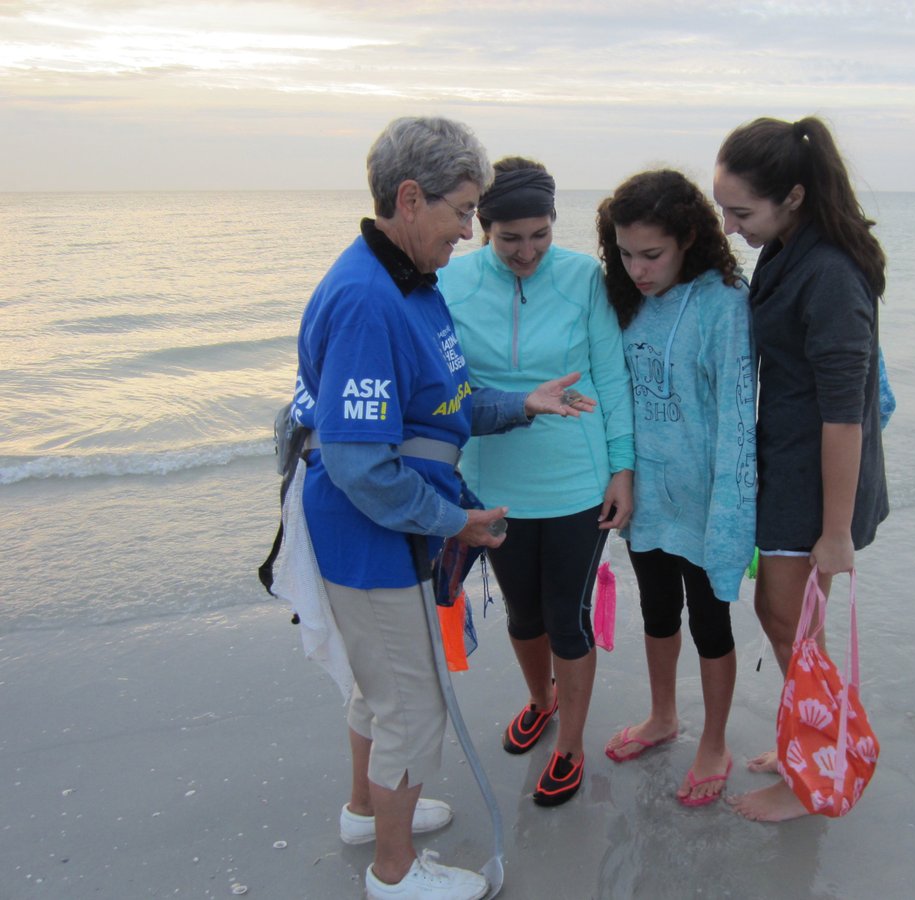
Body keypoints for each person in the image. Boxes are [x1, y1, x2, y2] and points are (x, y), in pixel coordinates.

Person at [291, 118, 594, 900]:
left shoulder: (411, 286)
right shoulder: (366, 299)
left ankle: (368, 810)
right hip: (371, 536)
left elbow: (447, 403)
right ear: (410, 196)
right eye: (463, 211)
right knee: (412, 705)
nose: (470, 229)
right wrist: (451, 521)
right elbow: (360, 462)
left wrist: (520, 403)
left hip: (394, 528)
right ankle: (394, 875)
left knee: (380, 688)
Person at [440, 157, 634, 808]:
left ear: (555, 225)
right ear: (481, 229)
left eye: (540, 235)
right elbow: (445, 387)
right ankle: (539, 699)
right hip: (493, 480)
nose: (527, 251)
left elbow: (610, 379)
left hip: (577, 482)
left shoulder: (583, 278)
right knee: (524, 615)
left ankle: (571, 745)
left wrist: (621, 471)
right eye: (510, 238)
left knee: (568, 621)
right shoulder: (452, 281)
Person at [712, 116, 889, 822]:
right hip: (785, 465)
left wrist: (837, 532)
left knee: (789, 621)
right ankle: (809, 739)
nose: (728, 226)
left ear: (791, 196)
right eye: (723, 208)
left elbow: (845, 416)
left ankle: (812, 774)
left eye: (740, 212)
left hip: (818, 483)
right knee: (786, 619)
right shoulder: (788, 248)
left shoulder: (831, 275)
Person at [594, 170, 756, 807]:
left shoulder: (723, 304)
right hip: (646, 498)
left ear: (689, 237)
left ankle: (713, 740)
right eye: (625, 253)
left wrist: (730, 515)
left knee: (710, 622)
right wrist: (620, 475)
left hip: (705, 500)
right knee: (657, 612)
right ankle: (663, 716)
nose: (637, 268)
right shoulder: (625, 298)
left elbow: (738, 418)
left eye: (651, 254)